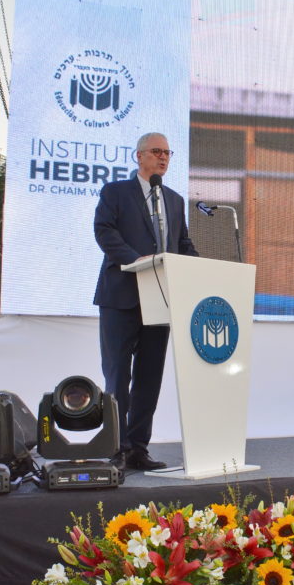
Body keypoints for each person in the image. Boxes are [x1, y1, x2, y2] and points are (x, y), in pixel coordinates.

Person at [93, 132, 198, 471]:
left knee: (149, 378)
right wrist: (136, 259)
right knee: (117, 376)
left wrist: (200, 269)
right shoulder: (115, 192)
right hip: (121, 296)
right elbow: (104, 231)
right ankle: (117, 448)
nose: (163, 157)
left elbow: (182, 244)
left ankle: (138, 448)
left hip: (161, 299)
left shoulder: (175, 200)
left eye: (167, 152)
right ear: (139, 156)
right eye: (156, 151)